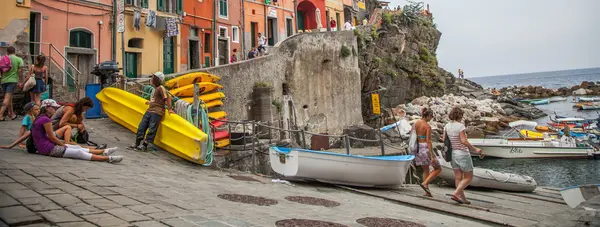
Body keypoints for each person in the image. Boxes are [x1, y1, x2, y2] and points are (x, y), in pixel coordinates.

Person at [31, 99, 122, 163]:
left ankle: (103, 152)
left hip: (46, 146)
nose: (55, 109)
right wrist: (63, 144)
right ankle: (108, 158)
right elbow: (52, 137)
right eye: (53, 107)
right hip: (48, 148)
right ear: (47, 108)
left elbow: (32, 133)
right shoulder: (45, 120)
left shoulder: (40, 118)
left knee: (77, 148)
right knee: (78, 153)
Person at [443, 107, 483, 204]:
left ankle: (462, 198)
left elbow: (444, 139)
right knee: (468, 177)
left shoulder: (446, 126)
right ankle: (456, 193)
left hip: (453, 154)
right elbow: (463, 141)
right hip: (462, 154)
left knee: (458, 177)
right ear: (460, 115)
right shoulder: (460, 126)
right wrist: (475, 149)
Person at [128, 72, 174, 151]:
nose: (151, 79)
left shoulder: (161, 88)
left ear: (157, 79)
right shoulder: (156, 88)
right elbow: (157, 99)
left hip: (157, 112)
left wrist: (169, 109)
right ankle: (137, 143)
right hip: (150, 110)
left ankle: (145, 145)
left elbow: (168, 98)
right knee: (141, 126)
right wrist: (150, 102)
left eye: (153, 77)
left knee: (152, 128)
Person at [414, 108, 441, 197]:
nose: (431, 118)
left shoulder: (416, 123)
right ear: (428, 116)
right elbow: (428, 141)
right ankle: (425, 183)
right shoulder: (427, 126)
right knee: (438, 168)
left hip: (418, 147)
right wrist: (432, 155)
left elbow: (412, 134)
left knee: (425, 169)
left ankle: (427, 191)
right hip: (425, 147)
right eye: (431, 116)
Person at [0, 46, 24, 121]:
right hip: (12, 81)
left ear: (7, 52)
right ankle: (0, 115)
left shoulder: (3, 58)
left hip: (3, 81)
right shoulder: (18, 59)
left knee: (9, 97)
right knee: (7, 98)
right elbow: (20, 71)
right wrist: (21, 81)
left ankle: (12, 114)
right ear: (15, 52)